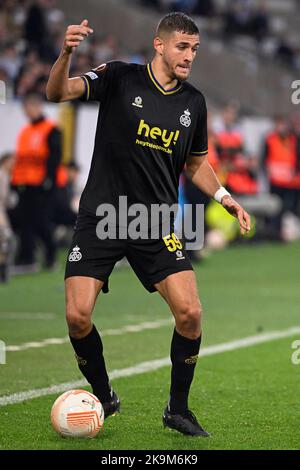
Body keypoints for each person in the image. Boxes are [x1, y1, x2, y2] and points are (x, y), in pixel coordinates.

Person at [46, 12, 250, 437]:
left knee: (191, 313)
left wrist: (224, 197)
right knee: (77, 316)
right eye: (182, 46)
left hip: (154, 222)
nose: (189, 55)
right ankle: (103, 396)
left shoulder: (193, 103)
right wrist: (66, 52)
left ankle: (177, 409)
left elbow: (196, 164)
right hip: (102, 216)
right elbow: (57, 91)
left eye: (194, 48)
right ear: (159, 45)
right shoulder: (120, 77)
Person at [11, 93, 62, 269]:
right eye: (26, 107)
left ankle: (51, 254)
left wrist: (48, 181)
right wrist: (14, 183)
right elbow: (20, 160)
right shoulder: (25, 131)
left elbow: (54, 159)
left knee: (41, 221)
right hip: (24, 184)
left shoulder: (51, 129)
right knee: (25, 222)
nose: (28, 111)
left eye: (31, 107)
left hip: (41, 185)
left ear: (39, 107)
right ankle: (26, 257)